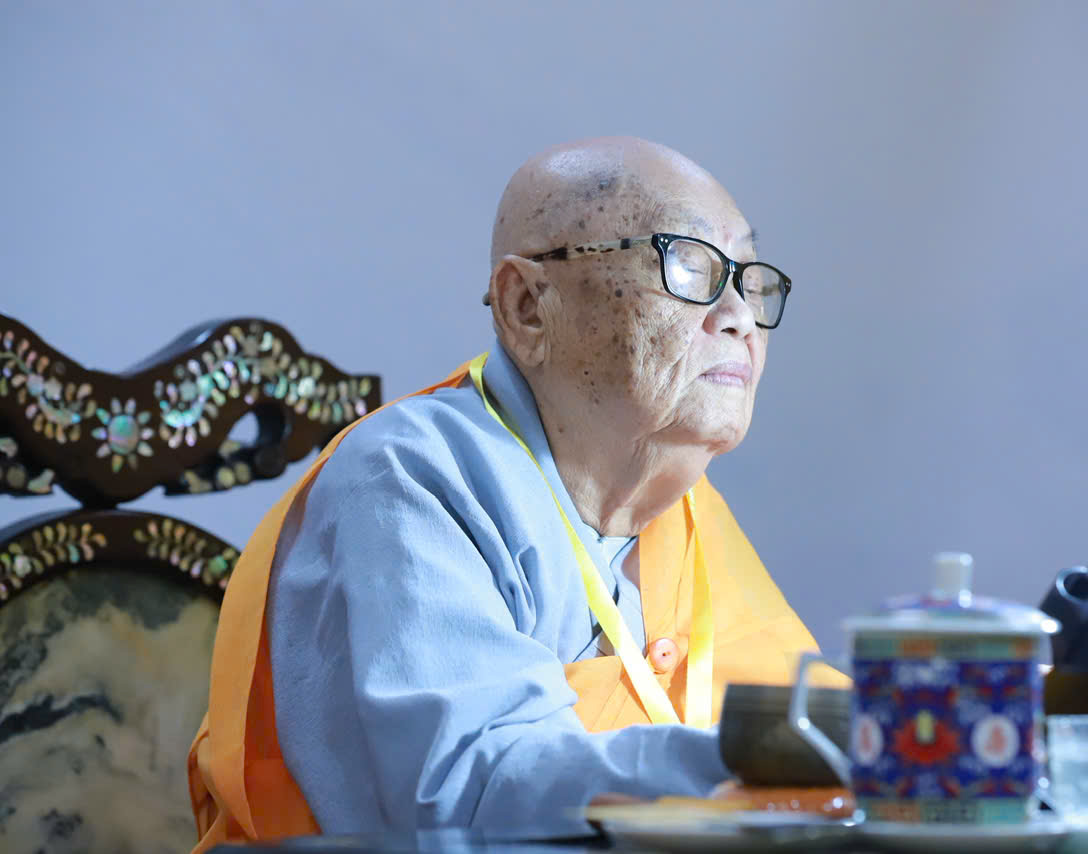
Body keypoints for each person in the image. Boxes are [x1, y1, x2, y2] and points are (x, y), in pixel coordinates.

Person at [187, 136, 836, 850]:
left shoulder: (681, 512)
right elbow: (476, 790)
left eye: (749, 279)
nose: (740, 315)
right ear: (527, 307)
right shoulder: (413, 476)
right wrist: (753, 764)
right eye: (688, 266)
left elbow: (818, 731)